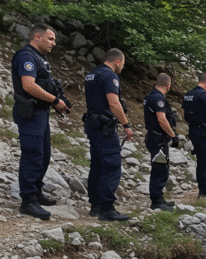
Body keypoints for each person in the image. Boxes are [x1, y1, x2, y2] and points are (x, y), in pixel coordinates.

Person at [11, 23, 71, 219]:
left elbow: (44, 84)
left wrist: (55, 102)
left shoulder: (40, 59)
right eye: (51, 39)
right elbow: (28, 86)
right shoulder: (26, 56)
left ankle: (36, 192)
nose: (54, 43)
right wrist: (54, 100)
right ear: (37, 37)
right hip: (30, 113)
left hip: (41, 112)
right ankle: (27, 201)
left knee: (44, 155)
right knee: (33, 155)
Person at [83, 48, 133, 221]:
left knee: (97, 164)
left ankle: (95, 205)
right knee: (111, 165)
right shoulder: (110, 76)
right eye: (123, 64)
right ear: (117, 61)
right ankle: (107, 209)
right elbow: (113, 102)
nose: (122, 68)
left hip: (92, 124)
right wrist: (126, 124)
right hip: (105, 126)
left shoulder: (91, 74)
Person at [143, 73, 179, 211]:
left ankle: (160, 198)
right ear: (168, 85)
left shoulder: (150, 96)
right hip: (157, 138)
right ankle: (156, 201)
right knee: (160, 170)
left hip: (155, 137)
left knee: (160, 168)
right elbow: (162, 119)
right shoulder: (158, 98)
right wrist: (173, 135)